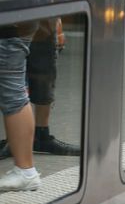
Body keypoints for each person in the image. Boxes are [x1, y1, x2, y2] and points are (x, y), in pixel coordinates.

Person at [0, 18, 81, 159]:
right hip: (14, 25)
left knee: (45, 75)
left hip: (42, 22)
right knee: (13, 82)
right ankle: (14, 138)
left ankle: (41, 134)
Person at [0, 23, 42, 191]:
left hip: (8, 30)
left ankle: (25, 171)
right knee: (13, 92)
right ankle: (25, 171)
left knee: (12, 94)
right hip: (17, 25)